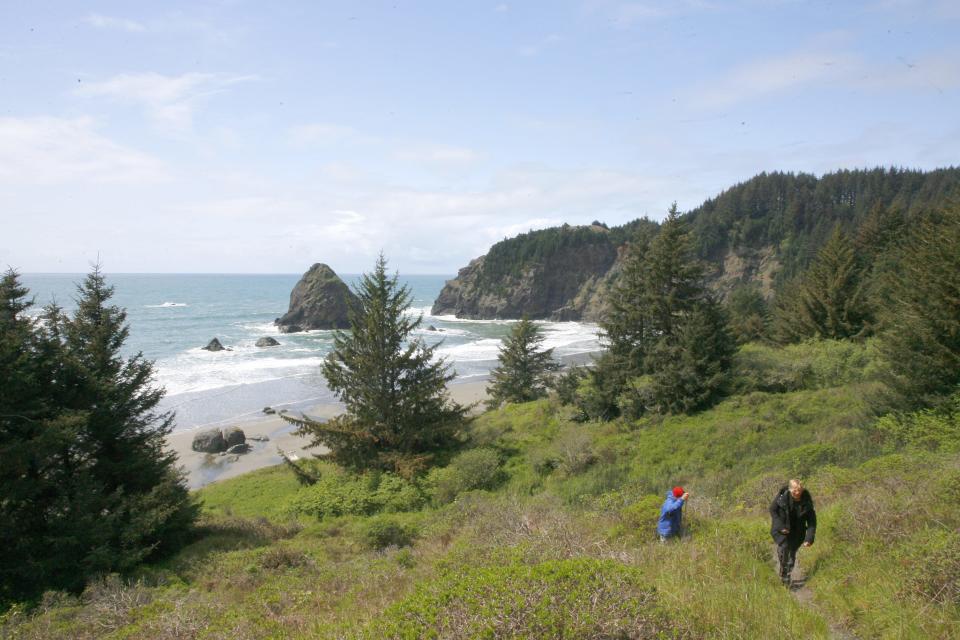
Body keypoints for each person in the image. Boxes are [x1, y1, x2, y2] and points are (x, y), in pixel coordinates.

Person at [770, 478, 816, 586]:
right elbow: (773, 510)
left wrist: (809, 538)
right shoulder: (782, 497)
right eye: (795, 490)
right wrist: (780, 526)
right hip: (783, 529)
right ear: (790, 489)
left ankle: (786, 575)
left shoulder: (807, 501)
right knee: (783, 549)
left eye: (799, 490)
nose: (797, 492)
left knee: (791, 553)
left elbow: (812, 521)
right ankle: (784, 572)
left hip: (798, 532)